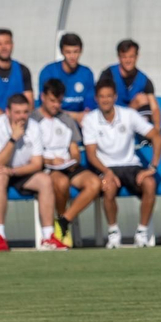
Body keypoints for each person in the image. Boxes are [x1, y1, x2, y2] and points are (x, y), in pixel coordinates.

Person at [82, 74, 161, 248]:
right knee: (108, 187)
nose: (106, 100)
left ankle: (142, 232)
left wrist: (152, 167)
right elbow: (91, 155)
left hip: (131, 165)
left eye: (109, 96)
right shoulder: (90, 119)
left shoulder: (129, 114)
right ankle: (113, 233)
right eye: (102, 96)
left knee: (149, 183)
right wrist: (107, 172)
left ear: (115, 97)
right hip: (106, 167)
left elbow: (157, 136)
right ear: (96, 98)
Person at [0, 94, 61, 251]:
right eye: (17, 112)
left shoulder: (34, 127)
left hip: (18, 171)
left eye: (25, 112)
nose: (22, 116)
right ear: (8, 112)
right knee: (0, 178)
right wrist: (13, 138)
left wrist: (12, 171)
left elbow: (37, 164)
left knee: (45, 180)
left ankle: (48, 237)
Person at [34, 78, 99, 247]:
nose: (56, 105)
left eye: (59, 101)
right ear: (43, 97)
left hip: (67, 166)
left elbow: (75, 150)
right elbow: (30, 155)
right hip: (45, 167)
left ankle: (63, 221)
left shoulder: (67, 120)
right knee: (61, 183)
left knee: (94, 183)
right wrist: (49, 160)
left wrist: (72, 160)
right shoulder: (33, 120)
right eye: (52, 101)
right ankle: (62, 227)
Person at [104, 39, 161, 125]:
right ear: (119, 57)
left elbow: (155, 109)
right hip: (110, 121)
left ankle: (145, 138)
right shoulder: (108, 75)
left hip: (132, 123)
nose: (128, 61)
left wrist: (157, 130)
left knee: (145, 100)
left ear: (137, 56)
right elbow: (102, 102)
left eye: (131, 57)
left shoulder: (144, 80)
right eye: (124, 57)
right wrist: (132, 106)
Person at [38, 33, 97, 116]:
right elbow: (46, 106)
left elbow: (89, 106)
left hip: (80, 122)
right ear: (62, 52)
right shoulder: (49, 72)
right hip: (54, 119)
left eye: (75, 52)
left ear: (81, 51)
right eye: (68, 52)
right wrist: (73, 116)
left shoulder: (87, 74)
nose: (72, 56)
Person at [0, 28, 34, 117]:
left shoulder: (23, 70)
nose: (4, 47)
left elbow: (29, 101)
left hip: (20, 119)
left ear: (12, 45)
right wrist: (5, 119)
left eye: (7, 43)